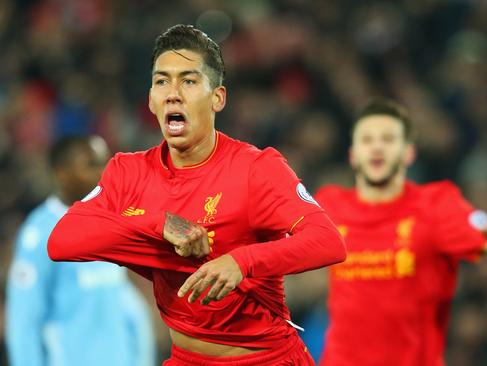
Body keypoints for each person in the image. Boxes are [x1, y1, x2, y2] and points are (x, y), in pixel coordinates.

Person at [47, 24, 347, 365]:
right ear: (151, 100)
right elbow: (62, 241)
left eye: (188, 81)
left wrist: (241, 262)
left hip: (266, 358)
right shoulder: (127, 172)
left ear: (217, 97)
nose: (173, 93)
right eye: (162, 81)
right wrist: (160, 224)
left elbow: (328, 241)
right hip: (186, 358)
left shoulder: (256, 168)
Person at [314, 98, 487, 366]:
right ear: (352, 154)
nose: (377, 148)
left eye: (388, 139)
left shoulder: (437, 206)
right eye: (367, 140)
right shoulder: (329, 204)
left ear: (408, 153)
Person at [5, 135, 155, 366]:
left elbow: (122, 300)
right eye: (91, 164)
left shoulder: (110, 224)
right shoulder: (40, 234)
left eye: (106, 163)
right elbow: (24, 321)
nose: (104, 172)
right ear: (62, 174)